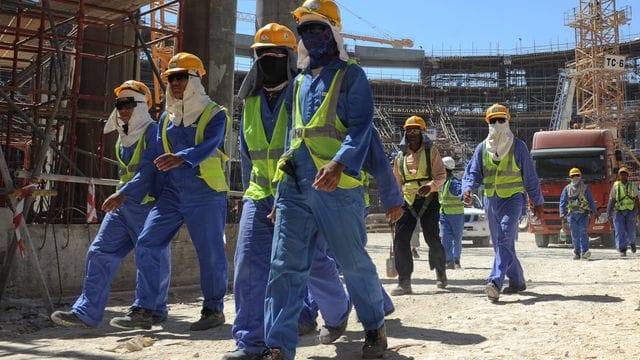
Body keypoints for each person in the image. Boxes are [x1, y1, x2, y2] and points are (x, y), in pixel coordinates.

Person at [262, 1, 387, 359]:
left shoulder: (351, 76)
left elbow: (362, 127)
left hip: (337, 187)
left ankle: (375, 326)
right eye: (305, 31)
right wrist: (278, 193)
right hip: (295, 186)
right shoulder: (298, 81)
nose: (310, 36)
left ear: (333, 32)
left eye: (318, 29)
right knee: (284, 267)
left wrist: (339, 164)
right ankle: (278, 347)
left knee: (352, 262)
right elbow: (291, 137)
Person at [108, 52, 231, 331]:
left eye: (180, 77)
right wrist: (125, 192)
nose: (175, 82)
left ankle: (213, 309)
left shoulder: (215, 114)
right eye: (171, 78)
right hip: (173, 194)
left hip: (206, 192)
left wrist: (182, 157)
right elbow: (151, 163)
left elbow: (210, 145)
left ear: (196, 79)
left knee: (210, 253)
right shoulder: (165, 119)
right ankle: (146, 309)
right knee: (149, 241)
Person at [50, 81, 169, 328]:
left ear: (140, 106)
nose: (122, 109)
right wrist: (123, 197)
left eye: (128, 104)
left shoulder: (152, 132)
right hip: (124, 206)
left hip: (145, 206)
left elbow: (150, 169)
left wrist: (123, 194)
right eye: (119, 104)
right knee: (99, 252)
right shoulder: (122, 139)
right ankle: (86, 312)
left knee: (150, 256)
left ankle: (151, 310)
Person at [297, 129, 403, 337]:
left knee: (334, 258)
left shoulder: (359, 124)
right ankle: (379, 304)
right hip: (311, 198)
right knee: (331, 257)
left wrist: (392, 200)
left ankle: (311, 313)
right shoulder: (301, 117)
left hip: (346, 200)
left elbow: (380, 164)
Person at [462, 103, 544, 302]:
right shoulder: (482, 148)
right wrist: (468, 189)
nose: (497, 124)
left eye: (501, 120)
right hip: (492, 200)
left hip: (513, 200)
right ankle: (517, 281)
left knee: (505, 240)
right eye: (493, 121)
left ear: (508, 121)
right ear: (487, 123)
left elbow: (530, 177)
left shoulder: (519, 147)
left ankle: (495, 281)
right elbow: (472, 173)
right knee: (501, 245)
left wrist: (538, 201)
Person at [390, 115, 448, 296]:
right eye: (409, 130)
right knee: (400, 240)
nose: (412, 133)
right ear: (405, 133)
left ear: (422, 132)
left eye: (416, 130)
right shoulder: (400, 157)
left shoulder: (432, 152)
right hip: (407, 201)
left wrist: (430, 186)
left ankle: (440, 272)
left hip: (429, 200)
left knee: (432, 238)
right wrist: (393, 204)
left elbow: (441, 175)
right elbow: (396, 182)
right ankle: (404, 281)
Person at [559, 167, 598, 260]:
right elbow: (562, 201)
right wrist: (562, 213)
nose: (575, 177)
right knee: (575, 234)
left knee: (583, 232)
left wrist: (595, 212)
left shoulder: (585, 188)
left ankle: (585, 251)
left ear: (580, 177)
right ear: (570, 177)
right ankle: (577, 252)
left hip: (583, 214)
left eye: (577, 175)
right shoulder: (567, 189)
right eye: (573, 176)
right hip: (572, 215)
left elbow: (591, 201)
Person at [607, 167, 639, 256]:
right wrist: (608, 211)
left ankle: (632, 243)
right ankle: (622, 249)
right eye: (621, 174)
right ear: (619, 175)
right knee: (619, 230)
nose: (623, 175)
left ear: (627, 175)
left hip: (631, 210)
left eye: (625, 174)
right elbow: (612, 199)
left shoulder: (633, 185)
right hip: (618, 211)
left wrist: (638, 210)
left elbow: (636, 198)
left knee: (631, 230)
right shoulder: (615, 185)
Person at [439, 156, 464, 269]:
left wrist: (464, 194)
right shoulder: (443, 182)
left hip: (456, 215)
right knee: (445, 238)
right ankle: (449, 260)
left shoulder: (454, 183)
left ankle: (456, 260)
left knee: (457, 238)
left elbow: (461, 192)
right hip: (444, 214)